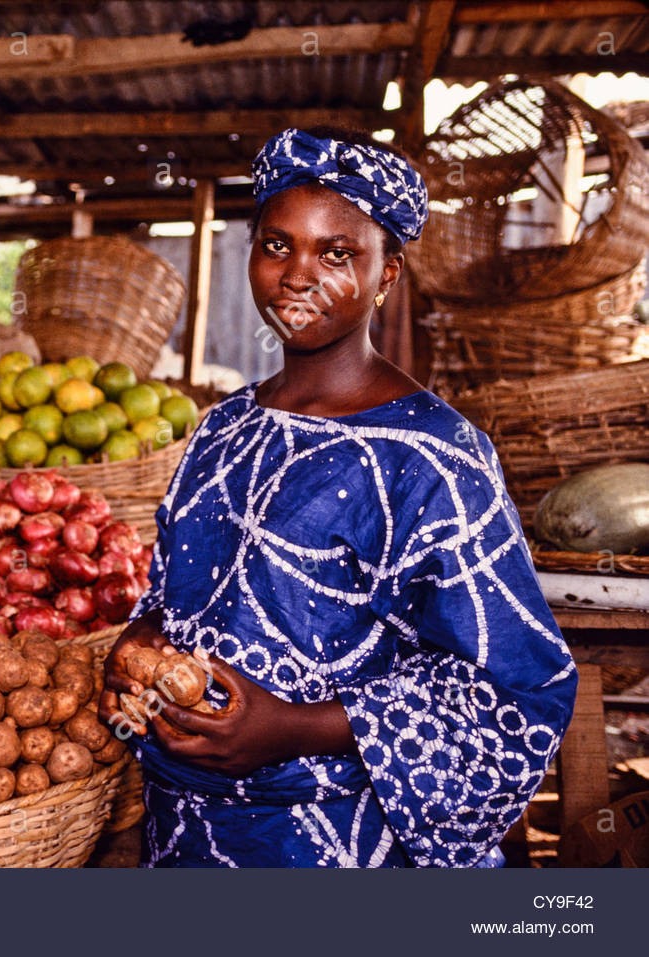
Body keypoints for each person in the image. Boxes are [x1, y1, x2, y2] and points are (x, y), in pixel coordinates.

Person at [98, 126, 578, 868]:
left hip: (337, 846)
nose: (298, 275)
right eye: (277, 244)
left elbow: (517, 697)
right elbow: (173, 596)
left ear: (387, 276)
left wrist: (296, 726)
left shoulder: (434, 458)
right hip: (181, 833)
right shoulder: (221, 428)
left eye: (338, 252)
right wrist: (139, 646)